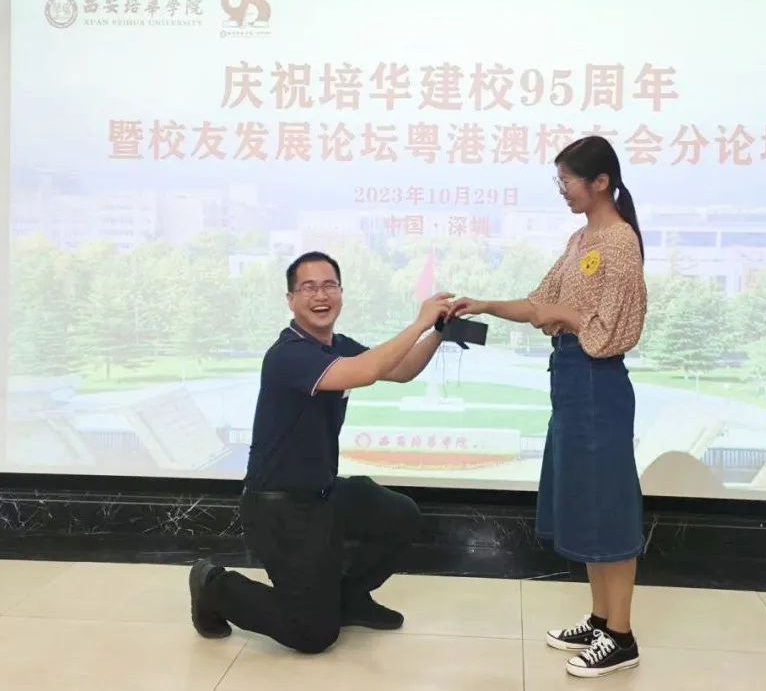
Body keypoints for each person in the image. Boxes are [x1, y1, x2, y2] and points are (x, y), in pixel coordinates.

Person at [451, 136, 647, 678]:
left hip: (598, 382)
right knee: (586, 500)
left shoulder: (620, 242)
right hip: (571, 379)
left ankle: (622, 637)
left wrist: (564, 314)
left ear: (601, 182)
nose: (562, 190)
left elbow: (611, 332)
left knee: (607, 505)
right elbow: (541, 303)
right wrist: (485, 304)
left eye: (567, 181)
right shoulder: (582, 239)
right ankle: (601, 619)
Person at [188, 251, 453, 653]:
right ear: (291, 299)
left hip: (325, 493)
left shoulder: (338, 346)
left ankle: (349, 598)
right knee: (312, 634)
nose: (320, 295)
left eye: (329, 285)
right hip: (280, 508)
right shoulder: (288, 355)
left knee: (401, 516)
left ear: (341, 293)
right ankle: (213, 585)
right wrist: (419, 321)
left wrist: (439, 333)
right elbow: (366, 372)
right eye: (308, 287)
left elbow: (400, 370)